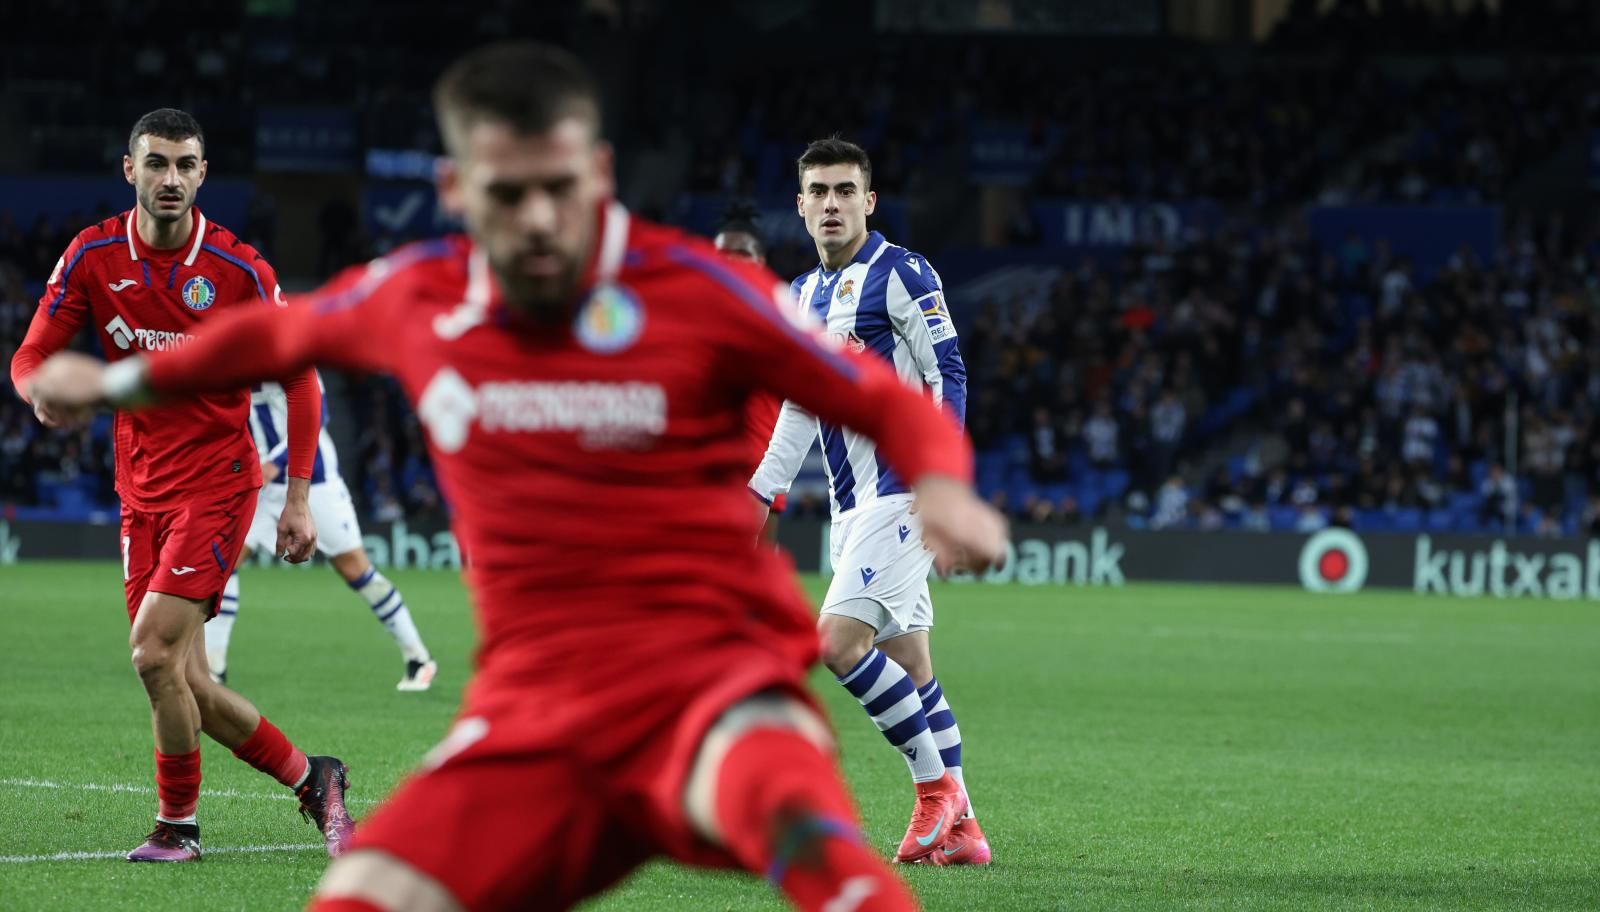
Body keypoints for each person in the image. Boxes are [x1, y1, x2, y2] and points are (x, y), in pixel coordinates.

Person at [29, 43, 1008, 912]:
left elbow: (875, 399)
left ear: (600, 172)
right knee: (363, 892)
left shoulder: (702, 288)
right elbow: (276, 334)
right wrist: (113, 378)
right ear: (455, 190)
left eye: (560, 187)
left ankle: (930, 811)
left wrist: (948, 483)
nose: (539, 219)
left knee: (819, 854)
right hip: (531, 714)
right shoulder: (421, 293)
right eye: (507, 195)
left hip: (711, 689)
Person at [8, 108, 354, 863]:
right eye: (157, 163)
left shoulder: (238, 270)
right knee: (185, 680)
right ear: (129, 169)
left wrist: (297, 496)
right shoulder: (93, 254)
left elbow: (300, 375)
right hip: (141, 489)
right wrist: (39, 390)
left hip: (219, 483)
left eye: (186, 165)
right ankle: (314, 778)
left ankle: (178, 827)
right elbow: (32, 351)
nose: (171, 178)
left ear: (203, 174)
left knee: (152, 656)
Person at [748, 137, 989, 866]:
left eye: (844, 190)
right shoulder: (800, 298)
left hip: (903, 496)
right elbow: (796, 409)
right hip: (852, 511)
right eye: (818, 191)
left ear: (868, 201)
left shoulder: (901, 274)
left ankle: (932, 790)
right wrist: (760, 494)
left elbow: (947, 373)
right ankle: (966, 830)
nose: (830, 204)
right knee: (911, 664)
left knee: (836, 644)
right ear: (799, 205)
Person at [208, 375, 439, 691]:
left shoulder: (290, 352)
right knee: (223, 567)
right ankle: (213, 669)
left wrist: (276, 462)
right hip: (262, 488)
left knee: (356, 570)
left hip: (314, 484)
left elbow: (318, 414)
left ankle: (418, 658)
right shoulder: (239, 358)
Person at [713, 200, 786, 540]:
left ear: (761, 261)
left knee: (761, 561)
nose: (731, 264)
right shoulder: (691, 311)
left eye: (741, 255)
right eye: (722, 256)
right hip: (708, 459)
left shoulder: (785, 310)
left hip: (764, 460)